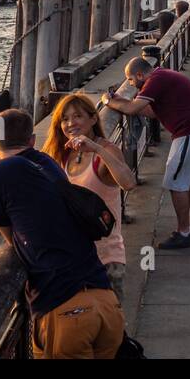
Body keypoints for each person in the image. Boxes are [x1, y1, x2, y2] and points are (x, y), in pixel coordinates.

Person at [0, 108, 123, 359]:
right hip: (105, 302)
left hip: (66, 310)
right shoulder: (48, 164)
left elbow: (11, 236)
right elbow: (36, 208)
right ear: (32, 140)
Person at [103, 57, 190, 250]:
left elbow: (132, 109)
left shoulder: (155, 80)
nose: (130, 84)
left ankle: (183, 233)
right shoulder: (162, 75)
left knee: (175, 181)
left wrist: (107, 101)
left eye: (130, 80)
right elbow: (151, 111)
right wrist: (121, 100)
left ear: (140, 75)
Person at [42, 92, 137, 306]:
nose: (70, 123)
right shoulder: (62, 154)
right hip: (72, 259)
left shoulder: (106, 152)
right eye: (64, 119)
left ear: (93, 119)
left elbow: (129, 183)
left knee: (110, 333)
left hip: (105, 259)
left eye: (77, 116)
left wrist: (96, 148)